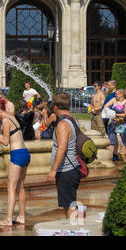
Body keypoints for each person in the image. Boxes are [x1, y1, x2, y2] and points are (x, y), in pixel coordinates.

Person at [0, 98, 30, 226]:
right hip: (25, 152)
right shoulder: (12, 117)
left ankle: (8, 219)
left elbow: (6, 142)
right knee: (21, 187)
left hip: (17, 154)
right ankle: (21, 216)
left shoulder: (5, 120)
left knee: (11, 187)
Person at [47, 92, 81, 220]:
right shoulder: (73, 119)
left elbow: (62, 148)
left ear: (55, 107)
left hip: (66, 170)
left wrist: (53, 170)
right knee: (69, 202)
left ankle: (74, 230)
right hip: (72, 168)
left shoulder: (62, 125)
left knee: (70, 205)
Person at [105, 89, 126, 162]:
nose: (115, 95)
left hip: (122, 123)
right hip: (113, 122)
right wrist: (109, 112)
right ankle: (114, 155)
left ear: (122, 94)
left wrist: (116, 114)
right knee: (112, 140)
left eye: (117, 94)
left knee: (125, 140)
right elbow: (106, 106)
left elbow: (125, 114)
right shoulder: (114, 100)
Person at [102, 80, 118, 161]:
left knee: (112, 137)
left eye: (109, 85)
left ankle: (112, 156)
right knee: (113, 136)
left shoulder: (115, 95)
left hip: (110, 118)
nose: (107, 86)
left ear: (113, 86)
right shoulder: (111, 94)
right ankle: (114, 155)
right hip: (107, 117)